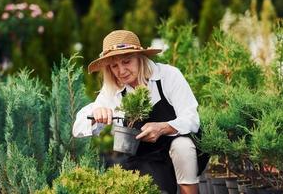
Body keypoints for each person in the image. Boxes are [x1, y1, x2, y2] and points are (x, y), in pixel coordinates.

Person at [73, 30, 208, 194]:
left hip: (184, 148)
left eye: (126, 62)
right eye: (114, 66)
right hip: (147, 156)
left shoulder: (168, 75)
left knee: (182, 146)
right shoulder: (114, 89)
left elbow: (191, 119)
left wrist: (163, 127)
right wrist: (96, 114)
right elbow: (77, 128)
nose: (121, 71)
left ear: (140, 58)